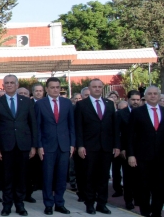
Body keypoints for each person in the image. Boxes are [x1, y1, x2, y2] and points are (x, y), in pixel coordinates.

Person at [0, 75, 38, 216]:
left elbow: (32, 125)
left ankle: (20, 205)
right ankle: (7, 205)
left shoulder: (27, 102)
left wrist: (34, 146)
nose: (9, 85)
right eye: (7, 83)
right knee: (6, 178)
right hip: (5, 146)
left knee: (22, 177)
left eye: (12, 83)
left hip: (23, 145)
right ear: (3, 86)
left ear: (17, 85)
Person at [74, 79, 119, 215]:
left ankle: (102, 204)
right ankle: (90, 204)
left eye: (100, 87)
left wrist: (117, 145)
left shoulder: (110, 104)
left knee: (103, 177)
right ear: (89, 88)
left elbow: (115, 127)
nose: (97, 89)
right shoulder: (81, 105)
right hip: (89, 147)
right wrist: (80, 145)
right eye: (94, 87)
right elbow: (79, 127)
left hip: (106, 147)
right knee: (89, 177)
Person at [35, 77, 75, 215]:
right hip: (47, 146)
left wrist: (72, 144)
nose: (55, 89)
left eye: (57, 87)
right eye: (52, 87)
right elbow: (37, 127)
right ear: (47, 89)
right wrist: (39, 146)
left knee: (61, 177)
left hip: (64, 146)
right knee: (47, 177)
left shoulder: (67, 103)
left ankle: (59, 203)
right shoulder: (40, 104)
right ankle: (48, 204)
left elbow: (71, 125)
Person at [126, 86, 164, 217]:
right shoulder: (137, 112)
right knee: (144, 187)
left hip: (160, 157)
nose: (153, 96)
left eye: (155, 94)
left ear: (159, 96)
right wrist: (131, 154)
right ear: (145, 97)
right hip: (142, 157)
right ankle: (145, 212)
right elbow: (130, 135)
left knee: (159, 187)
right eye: (150, 94)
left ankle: (157, 212)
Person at [114, 90, 141, 210]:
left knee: (141, 177)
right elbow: (117, 133)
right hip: (126, 150)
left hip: (142, 150)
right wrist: (121, 148)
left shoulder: (143, 112)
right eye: (133, 99)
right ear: (128, 99)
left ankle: (139, 199)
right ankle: (128, 200)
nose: (135, 102)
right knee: (128, 178)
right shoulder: (120, 114)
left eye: (137, 100)